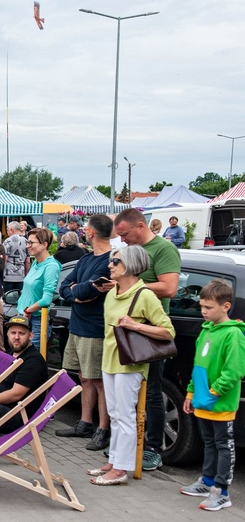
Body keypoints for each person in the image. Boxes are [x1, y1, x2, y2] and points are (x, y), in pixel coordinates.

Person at [88, 245, 174, 486]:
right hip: (109, 359)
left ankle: (121, 468)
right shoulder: (113, 291)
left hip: (130, 362)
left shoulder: (144, 294)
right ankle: (114, 461)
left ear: (131, 266)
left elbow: (168, 331)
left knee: (125, 415)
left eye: (115, 262)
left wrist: (135, 326)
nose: (110, 266)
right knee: (115, 414)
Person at [113, 207, 181, 471]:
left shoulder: (164, 249)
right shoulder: (129, 251)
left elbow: (169, 287)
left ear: (140, 226)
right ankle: (127, 448)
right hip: (127, 330)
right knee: (128, 392)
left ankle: (152, 448)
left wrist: (130, 285)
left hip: (150, 332)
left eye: (125, 233)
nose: (123, 239)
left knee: (152, 390)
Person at [180, 280, 245, 511]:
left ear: (226, 306)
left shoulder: (233, 335)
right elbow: (198, 366)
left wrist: (213, 391)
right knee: (208, 442)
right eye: (202, 307)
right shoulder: (206, 330)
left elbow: (234, 371)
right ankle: (207, 481)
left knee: (223, 445)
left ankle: (221, 491)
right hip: (202, 400)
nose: (203, 312)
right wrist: (190, 392)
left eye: (208, 308)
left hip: (220, 403)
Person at [55, 214, 114, 450]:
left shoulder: (109, 260)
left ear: (91, 232)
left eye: (85, 229)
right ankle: (85, 423)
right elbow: (65, 288)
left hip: (94, 327)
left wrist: (77, 292)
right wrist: (75, 292)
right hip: (77, 325)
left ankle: (103, 428)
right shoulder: (86, 258)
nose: (83, 232)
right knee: (83, 376)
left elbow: (88, 291)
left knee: (98, 380)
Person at [0, 315, 48, 434]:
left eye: (21, 333)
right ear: (7, 334)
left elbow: (15, 394)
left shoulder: (33, 361)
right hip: (2, 405)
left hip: (20, 414)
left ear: (31, 336)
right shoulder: (10, 353)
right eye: (13, 333)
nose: (16, 337)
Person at [17, 228, 62, 350]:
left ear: (44, 244)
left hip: (37, 321)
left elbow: (46, 300)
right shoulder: (35, 263)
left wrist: (28, 311)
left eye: (31, 243)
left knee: (32, 360)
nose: (28, 246)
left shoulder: (51, 266)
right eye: (28, 242)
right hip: (26, 317)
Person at [2, 221, 28, 293]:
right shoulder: (26, 241)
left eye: (7, 230)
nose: (7, 232)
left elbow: (5, 259)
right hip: (21, 275)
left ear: (11, 230)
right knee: (19, 297)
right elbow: (27, 261)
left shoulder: (8, 241)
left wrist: (0, 273)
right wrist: (26, 275)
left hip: (8, 276)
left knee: (8, 297)